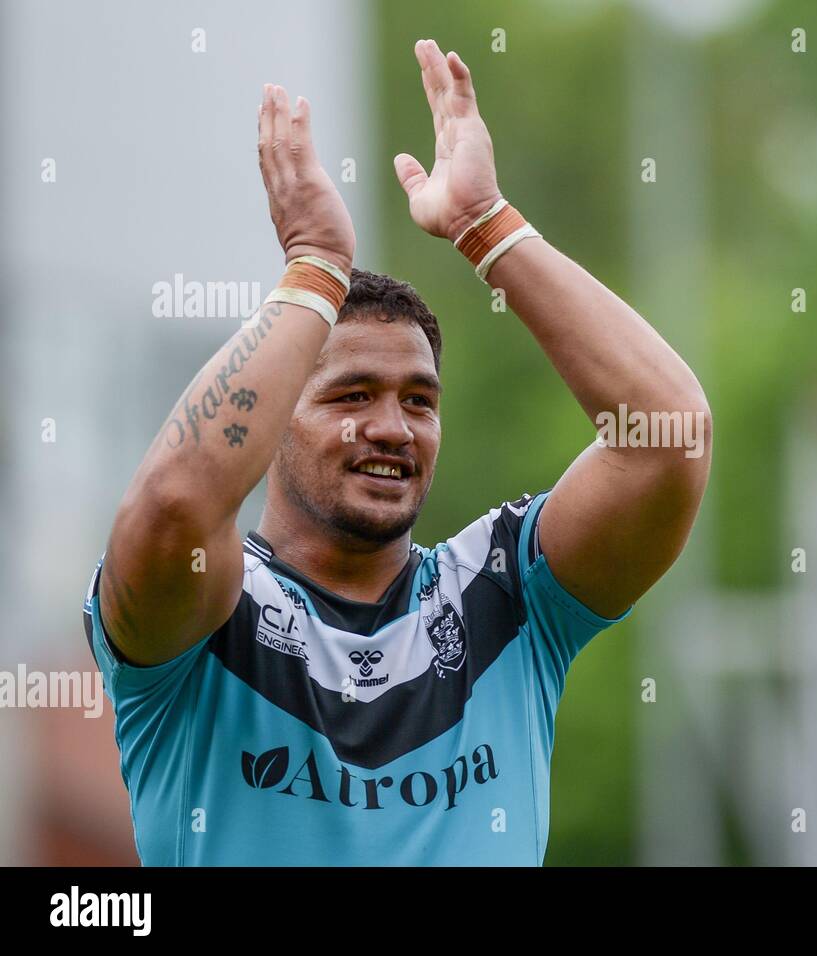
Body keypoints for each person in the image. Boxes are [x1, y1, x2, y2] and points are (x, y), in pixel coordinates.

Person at [81, 38, 711, 865]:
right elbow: (171, 508)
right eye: (351, 396)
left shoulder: (507, 594)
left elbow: (668, 440)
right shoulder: (211, 606)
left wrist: (489, 229)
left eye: (420, 400)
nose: (392, 426)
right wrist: (313, 270)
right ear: (271, 422)